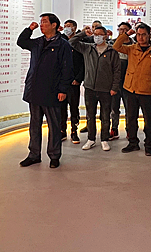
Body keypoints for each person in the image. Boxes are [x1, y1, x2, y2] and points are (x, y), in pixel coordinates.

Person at [16, 14, 74, 169]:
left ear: (54, 25)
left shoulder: (63, 45)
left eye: (44, 22)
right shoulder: (38, 42)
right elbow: (21, 42)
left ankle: (54, 156)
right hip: (34, 90)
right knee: (34, 125)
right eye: (40, 22)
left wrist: (63, 89)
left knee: (54, 126)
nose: (41, 25)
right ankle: (34, 154)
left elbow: (67, 69)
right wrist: (29, 29)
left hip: (52, 91)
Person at [70, 25, 122, 151]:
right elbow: (72, 42)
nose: (97, 37)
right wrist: (83, 33)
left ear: (105, 36)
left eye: (99, 34)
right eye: (95, 34)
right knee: (90, 115)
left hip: (106, 89)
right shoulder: (88, 48)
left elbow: (117, 71)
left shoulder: (111, 51)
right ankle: (91, 139)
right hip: (90, 88)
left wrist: (114, 87)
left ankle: (104, 139)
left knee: (105, 116)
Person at [113, 23, 151, 155]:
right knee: (131, 118)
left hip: (147, 90)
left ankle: (148, 145)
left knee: (149, 120)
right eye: (138, 34)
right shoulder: (132, 48)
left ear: (149, 35)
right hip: (131, 88)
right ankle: (133, 143)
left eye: (143, 34)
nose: (140, 37)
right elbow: (116, 46)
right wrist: (126, 34)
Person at [60, 19, 84, 143]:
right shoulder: (61, 41)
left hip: (74, 82)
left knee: (74, 107)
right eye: (65, 26)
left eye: (69, 26)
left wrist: (78, 79)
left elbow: (83, 64)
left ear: (74, 28)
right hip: (62, 82)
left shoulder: (79, 43)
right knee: (61, 108)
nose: (66, 28)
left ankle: (74, 131)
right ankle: (62, 131)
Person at [111, 21, 135, 141]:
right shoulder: (113, 43)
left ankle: (129, 130)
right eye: (120, 29)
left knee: (129, 108)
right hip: (115, 81)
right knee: (114, 107)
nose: (123, 32)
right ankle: (114, 128)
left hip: (129, 81)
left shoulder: (135, 45)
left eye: (125, 30)